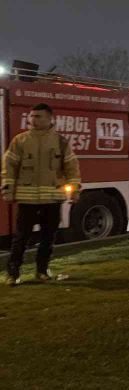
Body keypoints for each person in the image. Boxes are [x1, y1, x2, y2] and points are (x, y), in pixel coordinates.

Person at [1, 103, 81, 286]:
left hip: (52, 198)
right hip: (27, 199)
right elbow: (9, 167)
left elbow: (71, 167)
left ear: (50, 118)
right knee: (21, 238)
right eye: (32, 116)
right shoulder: (20, 140)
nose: (33, 120)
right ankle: (13, 274)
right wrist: (7, 190)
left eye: (38, 116)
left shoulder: (61, 142)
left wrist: (75, 189)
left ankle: (42, 271)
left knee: (48, 238)